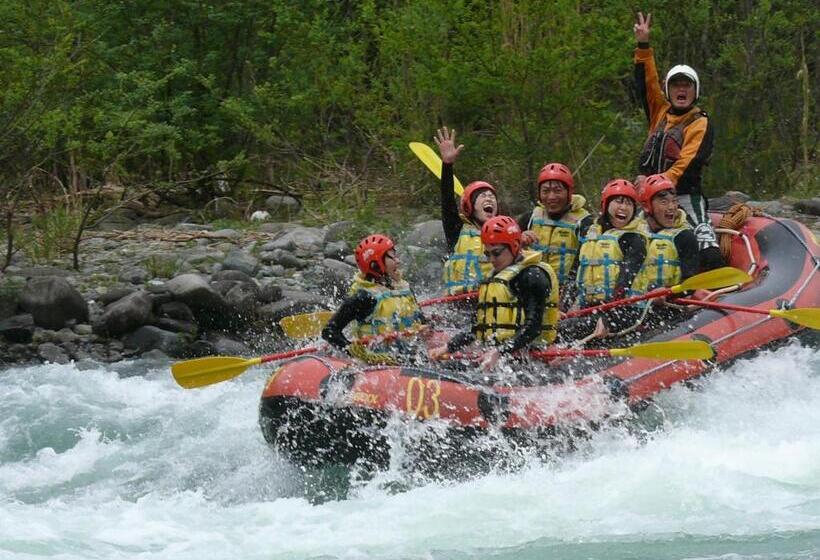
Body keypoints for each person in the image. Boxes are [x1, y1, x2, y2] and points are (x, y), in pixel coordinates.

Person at [633, 11, 724, 271]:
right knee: (629, 239)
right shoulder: (659, 112)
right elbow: (646, 83)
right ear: (668, 90)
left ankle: (708, 283)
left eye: (687, 85)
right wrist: (643, 45)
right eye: (676, 85)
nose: (681, 89)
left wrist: (654, 184)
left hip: (684, 196)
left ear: (695, 91)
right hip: (648, 197)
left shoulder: (700, 122)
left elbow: (688, 163)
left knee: (706, 248)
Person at [428, 216, 559, 372]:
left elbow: (533, 328)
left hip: (532, 359)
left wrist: (499, 351)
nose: (491, 260)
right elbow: (477, 329)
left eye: (496, 253)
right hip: (503, 356)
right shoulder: (496, 277)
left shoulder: (532, 276)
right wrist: (448, 347)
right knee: (445, 368)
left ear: (514, 246)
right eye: (487, 254)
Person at [559, 180, 648, 341]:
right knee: (555, 328)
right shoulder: (590, 235)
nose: (624, 207)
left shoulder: (634, 240)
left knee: (566, 331)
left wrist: (607, 317)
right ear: (606, 205)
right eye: (618, 201)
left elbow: (624, 283)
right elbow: (574, 275)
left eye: (629, 203)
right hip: (590, 308)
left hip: (626, 311)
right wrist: (562, 309)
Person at [322, 234, 425, 364]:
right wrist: (354, 351)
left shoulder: (404, 289)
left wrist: (428, 326)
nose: (398, 261)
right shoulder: (364, 297)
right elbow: (329, 331)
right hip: (378, 363)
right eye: (392, 257)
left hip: (410, 357)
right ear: (376, 264)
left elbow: (421, 320)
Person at [434, 127, 498, 294]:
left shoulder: (503, 233)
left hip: (490, 298)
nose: (489, 199)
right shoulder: (456, 230)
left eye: (492, 196)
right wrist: (447, 165)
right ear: (469, 206)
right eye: (483, 196)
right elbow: (447, 201)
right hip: (459, 302)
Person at [518, 162, 593, 304]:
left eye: (558, 191)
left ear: (569, 192)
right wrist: (518, 242)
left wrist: (567, 299)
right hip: (531, 289)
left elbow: (582, 265)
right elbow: (506, 253)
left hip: (564, 292)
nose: (551, 197)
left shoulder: (584, 222)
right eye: (545, 191)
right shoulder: (529, 218)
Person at [632, 174, 700, 294]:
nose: (671, 207)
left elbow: (689, 285)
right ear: (647, 206)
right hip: (635, 301)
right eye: (664, 202)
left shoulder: (685, 237)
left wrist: (666, 293)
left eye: (674, 201)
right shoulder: (633, 234)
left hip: (670, 302)